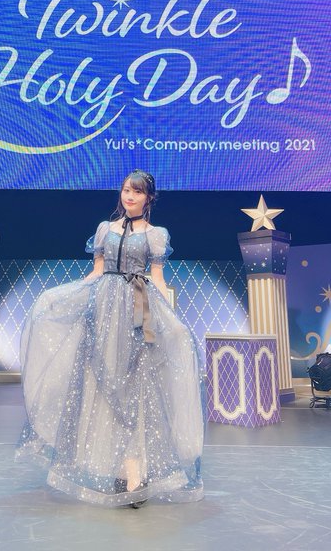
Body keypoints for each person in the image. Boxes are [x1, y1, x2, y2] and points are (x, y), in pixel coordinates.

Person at [17, 170, 205, 507]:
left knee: (136, 390)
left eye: (137, 192)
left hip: (138, 311)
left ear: (149, 198)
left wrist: (174, 323)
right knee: (103, 386)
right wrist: (65, 296)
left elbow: (157, 278)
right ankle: (117, 467)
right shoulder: (105, 229)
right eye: (126, 190)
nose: (130, 196)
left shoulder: (156, 235)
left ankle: (134, 472)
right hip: (104, 311)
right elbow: (97, 272)